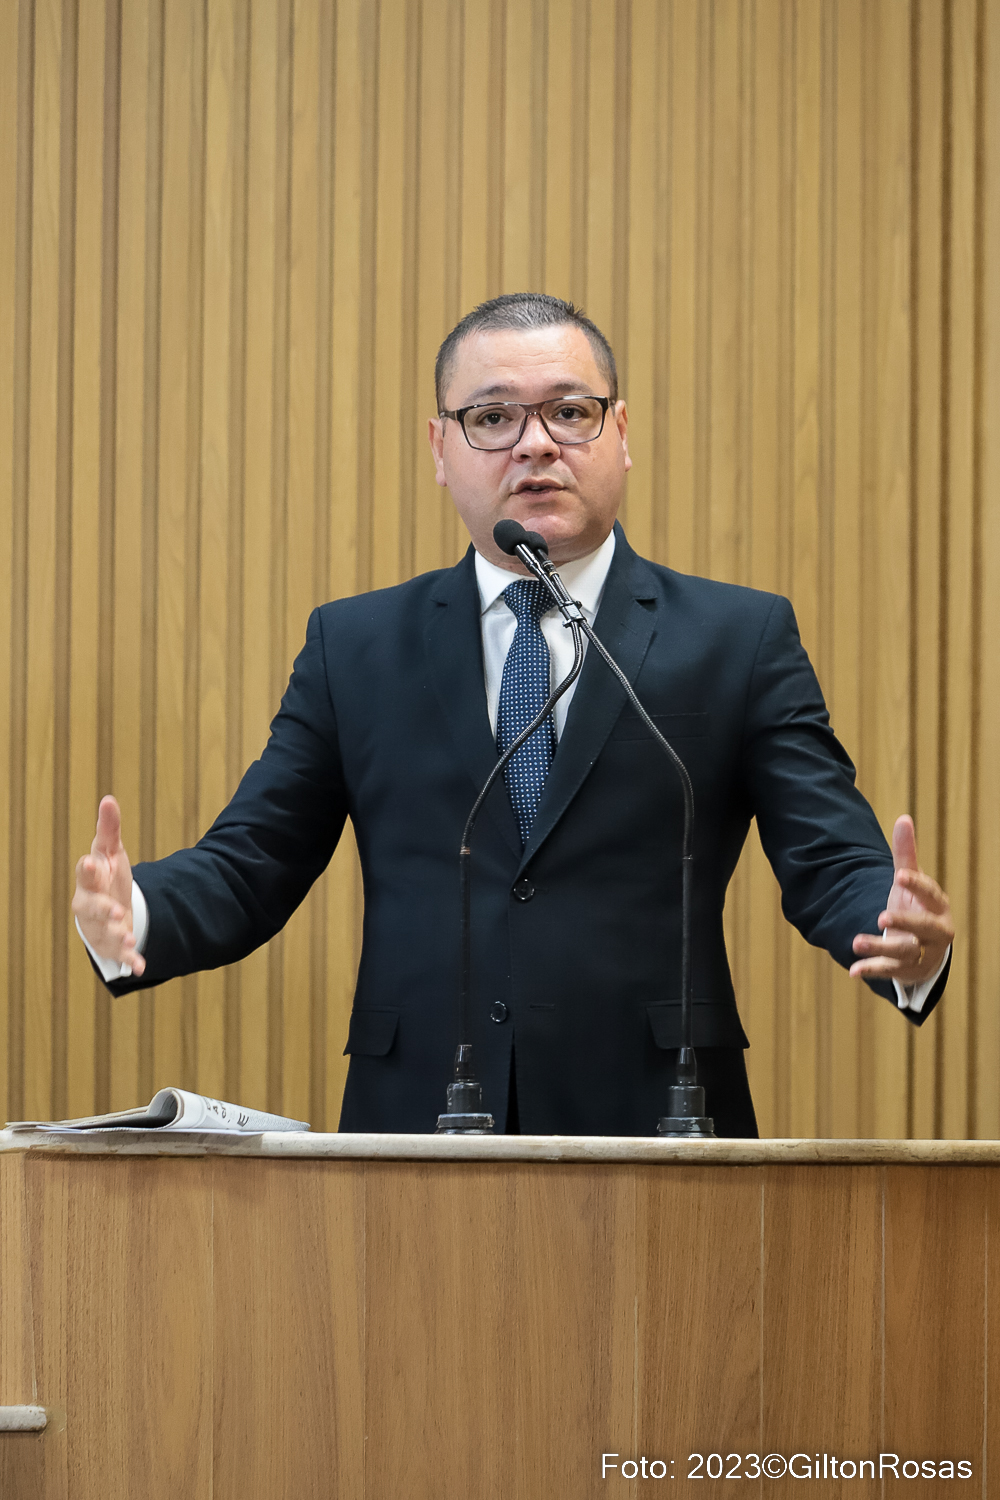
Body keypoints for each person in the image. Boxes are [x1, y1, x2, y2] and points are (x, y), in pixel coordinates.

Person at [72, 294, 954, 1136]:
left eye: (570, 412)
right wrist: (137, 911)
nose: (537, 444)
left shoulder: (736, 637)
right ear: (440, 447)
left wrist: (895, 933)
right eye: (493, 418)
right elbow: (251, 864)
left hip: (658, 1119)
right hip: (418, 1117)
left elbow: (830, 858)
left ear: (620, 432)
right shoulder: (357, 646)